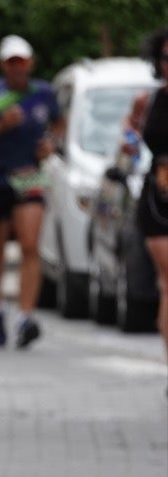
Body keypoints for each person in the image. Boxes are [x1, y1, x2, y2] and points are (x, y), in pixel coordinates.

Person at [0, 35, 64, 349]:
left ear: (31, 63)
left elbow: (59, 123)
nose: (17, 67)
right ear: (3, 65)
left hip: (29, 176)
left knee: (30, 245)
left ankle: (25, 317)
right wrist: (0, 126)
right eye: (11, 62)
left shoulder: (43, 92)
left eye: (22, 61)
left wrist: (51, 143)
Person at [122, 27, 168, 361]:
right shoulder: (147, 100)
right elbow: (129, 132)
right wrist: (129, 143)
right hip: (159, 201)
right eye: (166, 58)